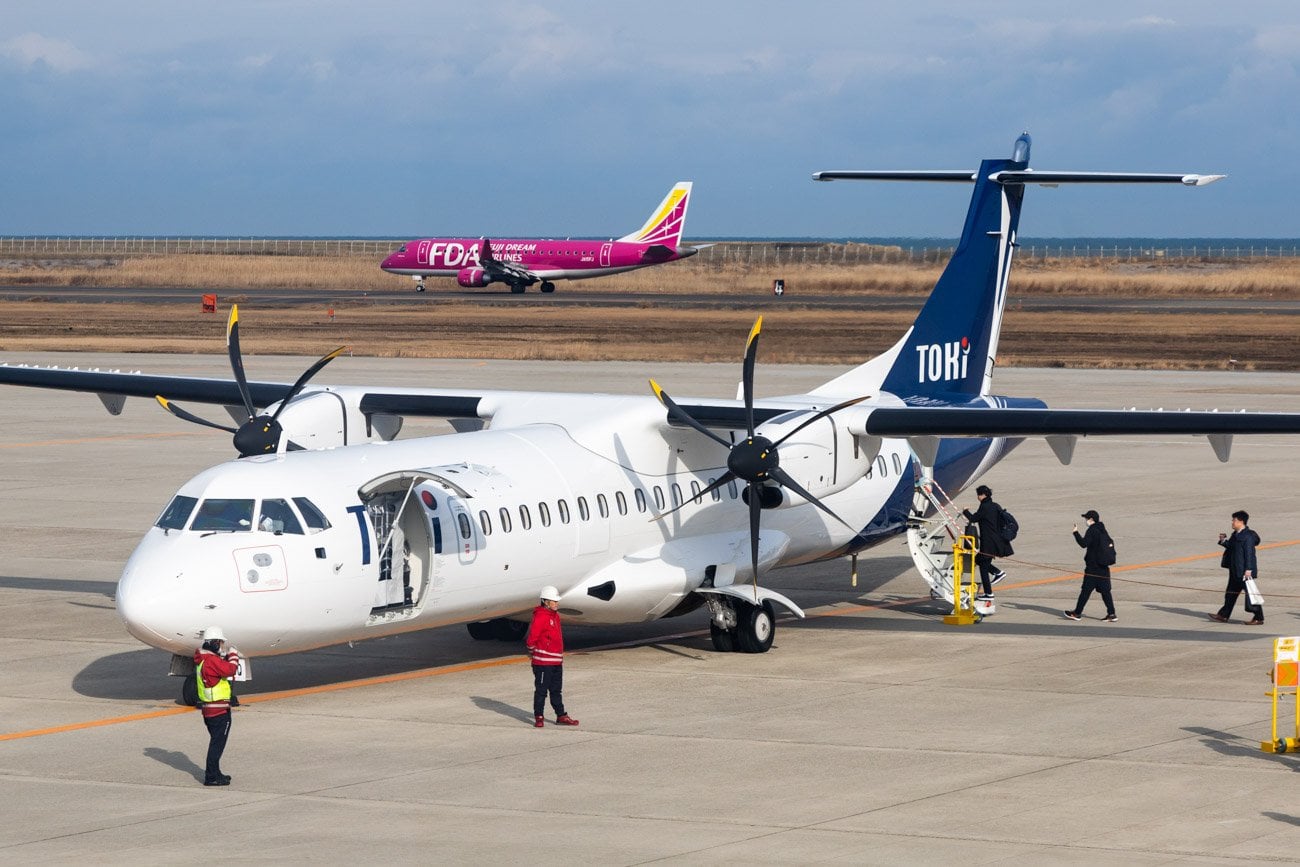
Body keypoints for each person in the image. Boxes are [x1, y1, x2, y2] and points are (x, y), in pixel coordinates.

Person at [526, 586, 579, 728]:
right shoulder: (541, 616)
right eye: (554, 601)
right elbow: (532, 638)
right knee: (541, 691)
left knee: (556, 690)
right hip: (543, 663)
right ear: (545, 602)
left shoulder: (555, 616)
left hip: (556, 661)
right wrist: (534, 653)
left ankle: (561, 715)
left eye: (556, 601)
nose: (557, 603)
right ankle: (539, 716)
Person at [193, 626, 240, 786]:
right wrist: (233, 655)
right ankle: (211, 776)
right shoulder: (212, 661)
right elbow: (231, 669)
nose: (221, 646)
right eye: (220, 643)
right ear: (214, 644)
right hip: (218, 711)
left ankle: (216, 773)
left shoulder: (204, 660)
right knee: (217, 745)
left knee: (216, 742)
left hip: (209, 710)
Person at [1210, 510, 1263, 625]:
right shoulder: (1236, 534)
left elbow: (1249, 554)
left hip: (1244, 572)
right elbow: (1232, 547)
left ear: (1241, 521)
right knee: (1230, 594)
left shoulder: (1247, 536)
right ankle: (1223, 615)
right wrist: (1223, 541)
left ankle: (1259, 617)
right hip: (1235, 570)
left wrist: (1248, 570)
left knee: (1251, 596)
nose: (1232, 522)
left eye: (1234, 520)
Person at [1063, 510, 1117, 622]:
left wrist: (1075, 533)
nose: (1085, 521)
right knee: (1106, 591)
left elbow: (1083, 544)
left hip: (1093, 567)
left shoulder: (1092, 530)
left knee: (1085, 591)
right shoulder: (1102, 529)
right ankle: (1111, 614)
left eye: (1086, 519)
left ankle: (1077, 613)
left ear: (1091, 520)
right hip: (1104, 567)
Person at [961, 484, 1012, 603]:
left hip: (988, 542)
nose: (978, 497)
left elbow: (973, 518)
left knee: (983, 567)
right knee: (978, 559)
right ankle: (996, 572)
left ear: (983, 495)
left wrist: (965, 511)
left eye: (978, 495)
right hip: (996, 540)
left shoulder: (985, 507)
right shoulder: (995, 506)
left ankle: (989, 593)